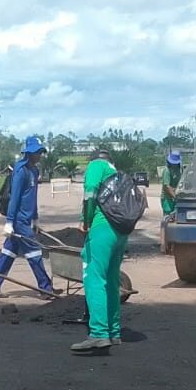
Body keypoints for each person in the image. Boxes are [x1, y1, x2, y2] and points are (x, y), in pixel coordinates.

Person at [71, 149, 129, 353]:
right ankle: (113, 333)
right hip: (120, 231)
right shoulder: (117, 175)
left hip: (102, 228)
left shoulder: (97, 166)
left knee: (94, 278)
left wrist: (85, 221)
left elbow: (90, 191)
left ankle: (98, 334)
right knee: (112, 280)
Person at [0, 136, 56, 299]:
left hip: (27, 219)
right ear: (29, 153)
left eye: (40, 152)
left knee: (8, 252)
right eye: (37, 152)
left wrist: (35, 219)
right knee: (34, 253)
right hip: (18, 220)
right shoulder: (21, 170)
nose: (39, 155)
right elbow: (15, 198)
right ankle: (45, 288)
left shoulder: (34, 170)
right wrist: (9, 222)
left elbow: (33, 196)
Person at [160, 151, 182, 254]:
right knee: (166, 220)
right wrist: (174, 196)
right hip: (167, 199)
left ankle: (173, 245)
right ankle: (163, 245)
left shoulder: (178, 170)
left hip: (175, 197)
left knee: (176, 219)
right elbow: (167, 186)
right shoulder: (167, 171)